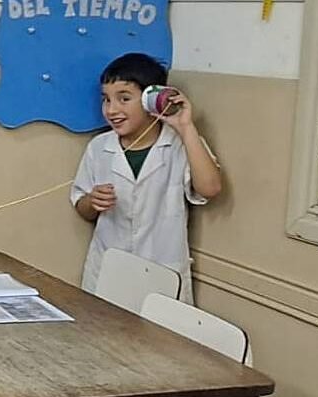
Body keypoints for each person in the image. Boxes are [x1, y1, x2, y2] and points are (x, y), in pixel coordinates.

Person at [71, 53, 223, 305]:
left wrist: (186, 127)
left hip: (161, 269)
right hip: (108, 270)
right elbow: (82, 206)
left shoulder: (178, 144)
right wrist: (92, 201)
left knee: (161, 340)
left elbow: (210, 188)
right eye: (106, 99)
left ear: (150, 99)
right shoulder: (99, 148)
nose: (111, 110)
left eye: (124, 99)